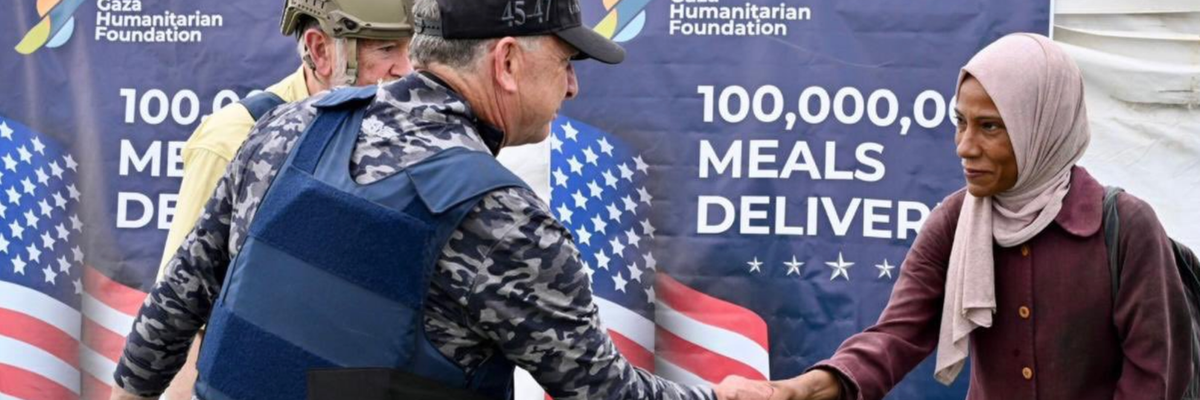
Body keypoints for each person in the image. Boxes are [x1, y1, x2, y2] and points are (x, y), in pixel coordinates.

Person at [112, 0, 777, 398]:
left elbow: (169, 313)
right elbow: (601, 391)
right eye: (566, 63)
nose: (572, 87)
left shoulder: (288, 128)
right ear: (507, 62)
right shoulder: (502, 218)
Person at [772, 33, 1193, 400]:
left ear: (1043, 129)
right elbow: (897, 335)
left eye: (989, 127)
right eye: (961, 122)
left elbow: (1154, 377)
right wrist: (804, 388)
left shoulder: (1125, 227)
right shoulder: (954, 223)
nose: (964, 146)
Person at [145, 1, 415, 398]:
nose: (407, 69)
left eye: (413, 49)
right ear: (320, 50)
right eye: (387, 49)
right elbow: (183, 312)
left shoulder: (413, 140)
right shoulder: (235, 138)